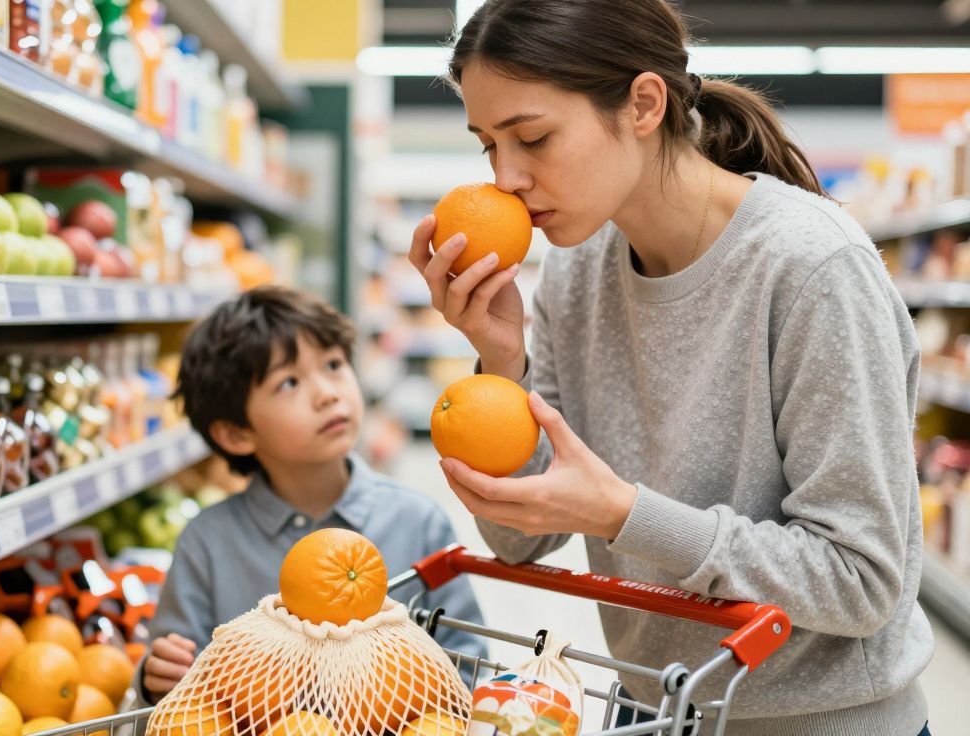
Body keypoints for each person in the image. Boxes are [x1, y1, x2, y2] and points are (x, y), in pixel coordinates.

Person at [409, 1, 933, 734]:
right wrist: (501, 361)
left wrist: (624, 515)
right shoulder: (574, 272)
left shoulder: (813, 270)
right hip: (653, 710)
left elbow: (863, 580)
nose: (507, 178)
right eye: (487, 146)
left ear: (644, 104)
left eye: (532, 137)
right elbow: (520, 539)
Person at [136, 286, 486, 703]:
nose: (327, 393)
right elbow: (175, 680)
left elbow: (469, 661)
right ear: (235, 433)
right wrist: (154, 678)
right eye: (289, 383)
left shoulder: (417, 521)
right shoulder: (207, 543)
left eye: (334, 364)